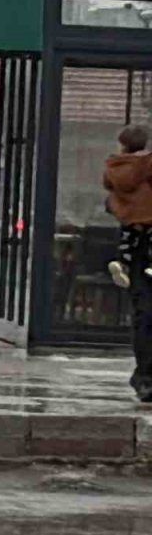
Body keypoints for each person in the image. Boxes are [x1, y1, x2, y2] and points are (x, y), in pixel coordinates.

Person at [103, 123, 152, 402]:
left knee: (143, 312)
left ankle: (144, 376)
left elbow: (111, 203)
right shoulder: (148, 167)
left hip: (133, 244)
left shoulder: (115, 169)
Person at [104, 124, 152, 289]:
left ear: (123, 145)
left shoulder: (114, 166)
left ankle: (123, 263)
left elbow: (108, 185)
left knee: (127, 239)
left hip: (126, 215)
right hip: (147, 213)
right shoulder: (147, 162)